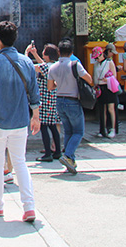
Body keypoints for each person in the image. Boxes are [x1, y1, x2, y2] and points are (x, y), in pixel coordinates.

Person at [0, 20, 40, 222]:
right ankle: (29, 207)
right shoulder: (27, 62)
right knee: (20, 162)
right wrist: (36, 116)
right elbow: (34, 92)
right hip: (21, 119)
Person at [44, 38, 92, 175]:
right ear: (71, 52)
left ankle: (71, 161)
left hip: (59, 101)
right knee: (78, 132)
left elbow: (50, 87)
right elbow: (88, 78)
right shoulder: (75, 65)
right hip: (73, 100)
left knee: (69, 131)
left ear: (58, 52)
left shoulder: (52, 67)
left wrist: (59, 84)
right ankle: (67, 155)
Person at [26, 42, 62, 160]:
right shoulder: (55, 65)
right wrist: (35, 54)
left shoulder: (45, 67)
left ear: (47, 54)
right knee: (52, 126)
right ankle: (57, 151)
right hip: (53, 100)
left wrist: (27, 53)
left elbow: (28, 66)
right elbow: (43, 64)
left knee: (44, 127)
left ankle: (47, 153)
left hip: (44, 100)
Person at [93, 44, 118, 138]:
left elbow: (114, 76)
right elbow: (94, 75)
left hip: (109, 87)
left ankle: (113, 128)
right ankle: (102, 129)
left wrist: (107, 80)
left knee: (110, 108)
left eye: (97, 57)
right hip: (100, 87)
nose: (96, 59)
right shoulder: (96, 64)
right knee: (101, 109)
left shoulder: (109, 62)